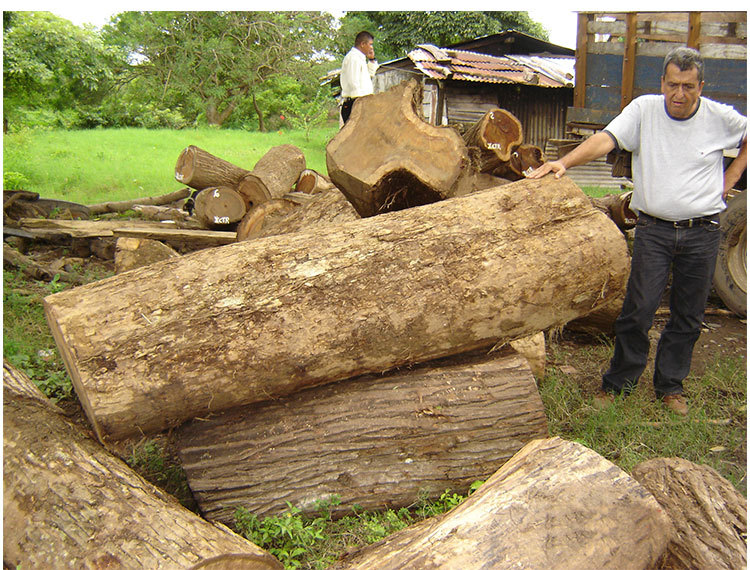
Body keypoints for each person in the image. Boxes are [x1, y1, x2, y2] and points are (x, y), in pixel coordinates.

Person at [527, 46, 747, 416]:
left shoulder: (718, 117)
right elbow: (605, 140)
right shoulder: (644, 110)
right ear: (662, 82)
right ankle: (618, 384)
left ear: (700, 86)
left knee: (688, 315)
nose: (680, 94)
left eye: (689, 86)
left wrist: (732, 176)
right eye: (673, 85)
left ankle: (670, 387)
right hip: (654, 231)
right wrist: (563, 163)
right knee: (637, 311)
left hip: (703, 231)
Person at [339, 31, 378, 124]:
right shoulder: (353, 58)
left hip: (361, 102)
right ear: (363, 44)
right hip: (355, 103)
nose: (371, 47)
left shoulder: (360, 58)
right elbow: (353, 82)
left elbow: (370, 75)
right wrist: (360, 104)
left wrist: (372, 59)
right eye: (370, 44)